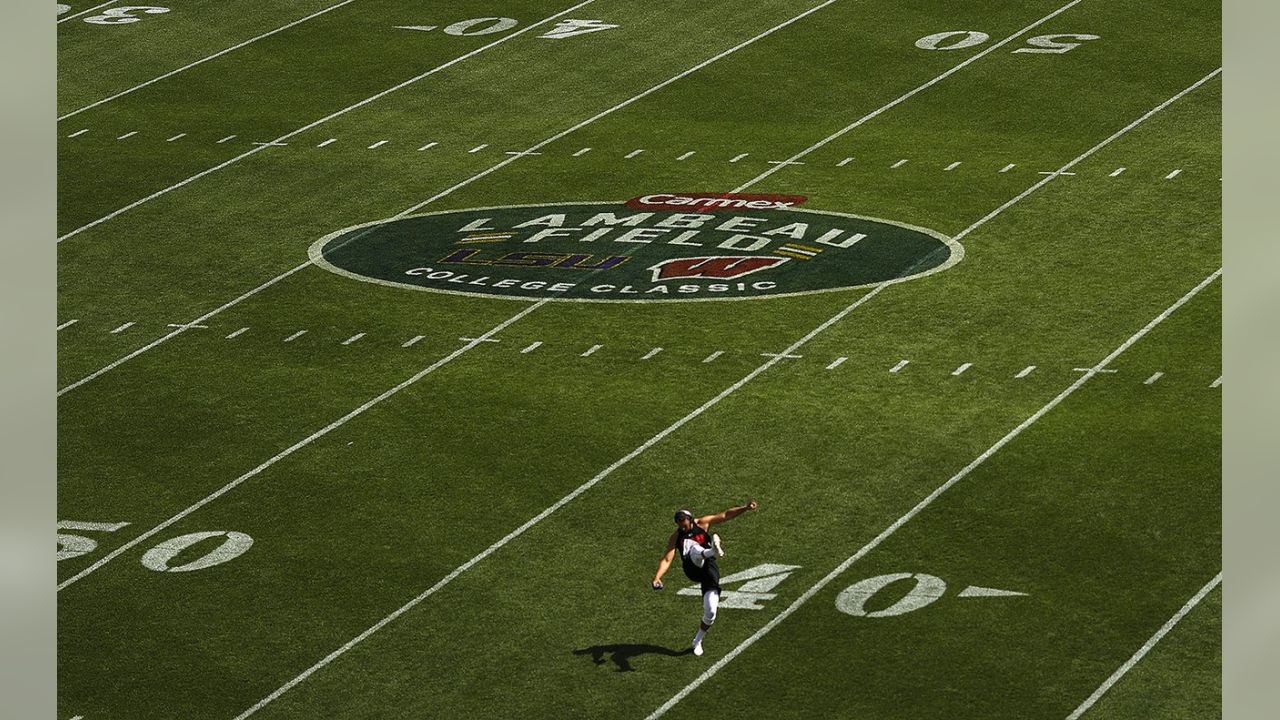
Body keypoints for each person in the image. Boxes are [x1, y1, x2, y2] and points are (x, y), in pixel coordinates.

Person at [651, 500, 759, 656]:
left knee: (710, 612)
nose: (681, 525)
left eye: (683, 521)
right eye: (678, 522)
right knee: (694, 548)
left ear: (690, 519)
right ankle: (712, 551)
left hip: (708, 569)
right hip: (691, 567)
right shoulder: (676, 536)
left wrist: (745, 508)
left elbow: (725, 515)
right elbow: (667, 559)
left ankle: (697, 641)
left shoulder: (703, 523)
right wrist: (657, 577)